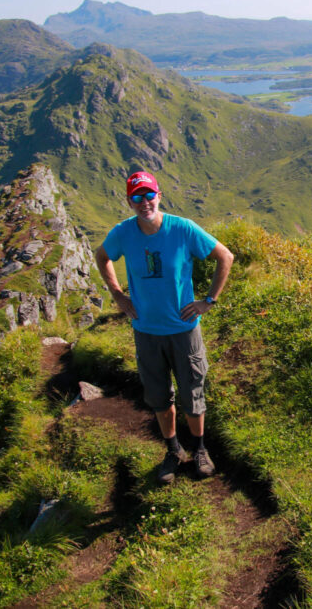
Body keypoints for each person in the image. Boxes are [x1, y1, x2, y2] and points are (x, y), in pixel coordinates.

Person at [95, 170, 234, 484]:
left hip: (184, 329)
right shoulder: (123, 233)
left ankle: (199, 449)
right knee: (159, 395)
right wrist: (118, 295)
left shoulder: (182, 229)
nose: (144, 203)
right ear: (130, 202)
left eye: (149, 195)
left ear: (158, 195)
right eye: (137, 198)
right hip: (146, 331)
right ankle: (174, 450)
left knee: (192, 392)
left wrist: (208, 301)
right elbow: (102, 256)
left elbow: (225, 256)